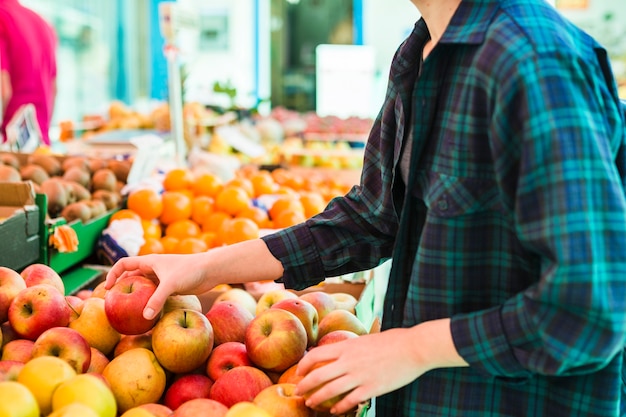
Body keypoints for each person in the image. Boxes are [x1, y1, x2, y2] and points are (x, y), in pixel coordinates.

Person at [106, 0, 626, 415]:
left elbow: (589, 309)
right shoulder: (422, 50)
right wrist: (204, 267)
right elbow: (370, 218)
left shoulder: (532, 62)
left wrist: (411, 349)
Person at [0, 0, 57, 145]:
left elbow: (2, 91)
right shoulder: (43, 23)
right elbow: (54, 89)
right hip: (41, 150)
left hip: (9, 154)